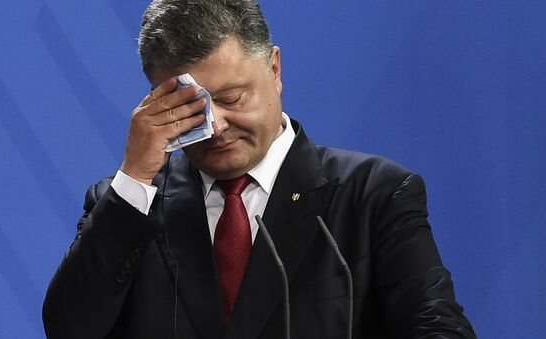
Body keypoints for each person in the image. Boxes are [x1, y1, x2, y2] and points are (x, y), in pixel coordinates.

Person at [42, 0, 477, 338]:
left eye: (231, 99)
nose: (216, 126)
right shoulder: (128, 205)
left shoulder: (373, 194)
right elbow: (70, 331)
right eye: (190, 110)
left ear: (274, 69)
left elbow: (439, 329)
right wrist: (135, 176)